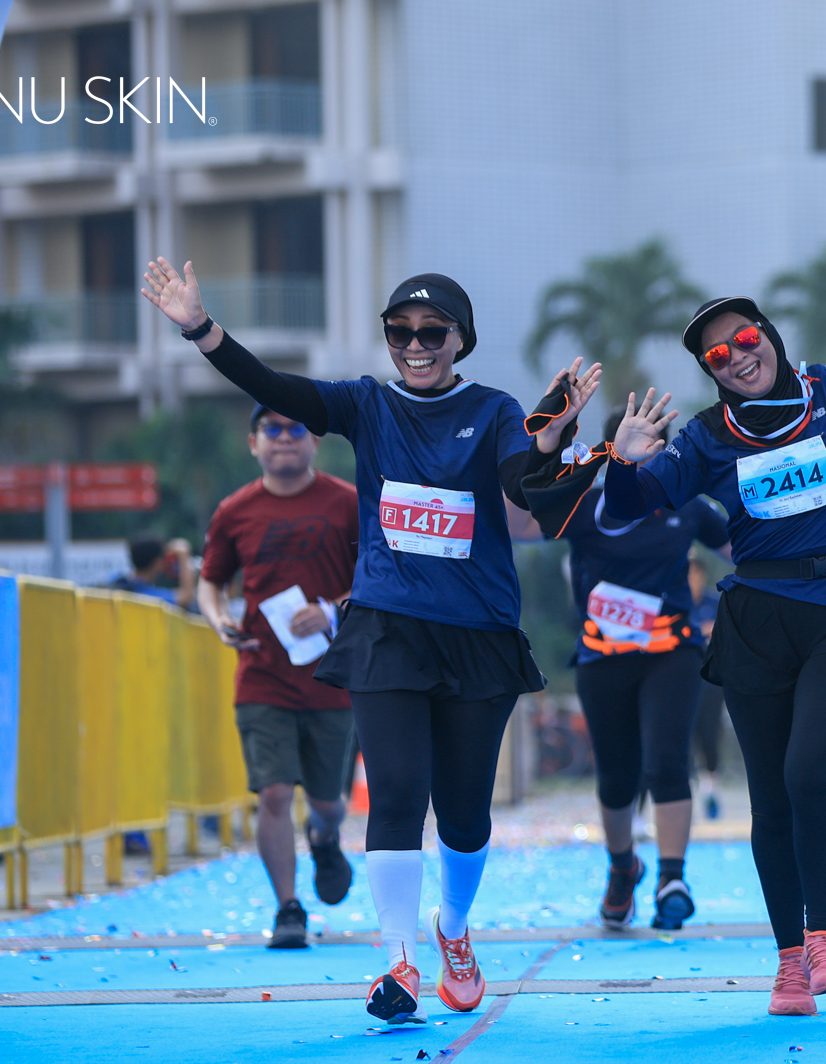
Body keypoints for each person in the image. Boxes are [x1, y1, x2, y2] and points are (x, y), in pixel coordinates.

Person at [143, 258, 598, 1021]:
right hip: (387, 627)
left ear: (460, 340)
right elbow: (274, 387)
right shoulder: (366, 405)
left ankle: (453, 929)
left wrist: (551, 444)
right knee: (394, 794)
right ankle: (399, 962)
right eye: (400, 332)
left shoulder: (494, 411)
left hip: (479, 634)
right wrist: (200, 329)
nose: (415, 345)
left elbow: (524, 487)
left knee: (464, 814)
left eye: (431, 333)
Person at [608, 298, 826, 1016]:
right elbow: (627, 506)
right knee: (770, 795)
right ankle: (789, 963)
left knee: (811, 770)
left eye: (745, 338)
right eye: (718, 355)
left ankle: (823, 938)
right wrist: (621, 460)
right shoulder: (706, 437)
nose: (737, 356)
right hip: (758, 622)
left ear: (768, 335)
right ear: (711, 372)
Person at [553, 411, 731, 931]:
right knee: (617, 775)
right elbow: (521, 526)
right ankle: (622, 868)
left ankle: (672, 879)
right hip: (602, 656)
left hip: (672, 652)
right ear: (612, 450)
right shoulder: (586, 506)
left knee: (668, 762)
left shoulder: (688, 505)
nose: (643, 451)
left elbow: (745, 550)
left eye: (655, 443)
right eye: (632, 443)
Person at [196, 405, 360, 949]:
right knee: (272, 792)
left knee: (328, 802)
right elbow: (211, 581)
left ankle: (324, 837)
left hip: (332, 677)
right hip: (262, 675)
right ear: (253, 443)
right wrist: (218, 619)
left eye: (295, 429)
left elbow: (378, 574)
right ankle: (288, 908)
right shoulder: (234, 511)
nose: (284, 438)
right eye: (272, 429)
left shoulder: (348, 503)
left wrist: (331, 610)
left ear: (315, 441)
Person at [687, 553, 726, 820]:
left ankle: (710, 789)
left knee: (710, 736)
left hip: (711, 682)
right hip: (680, 683)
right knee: (683, 738)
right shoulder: (675, 604)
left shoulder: (715, 602)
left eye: (696, 573)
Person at [111, 534, 198, 610]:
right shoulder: (148, 597)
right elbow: (186, 597)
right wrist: (183, 555)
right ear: (158, 563)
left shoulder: (117, 584)